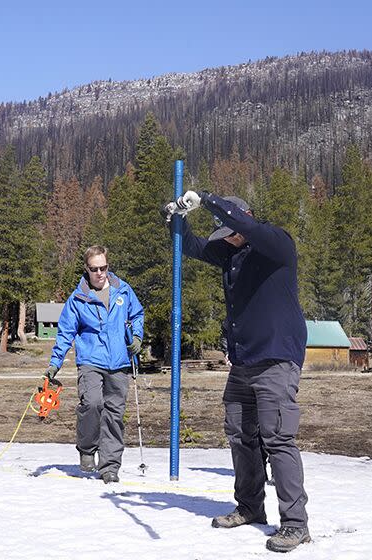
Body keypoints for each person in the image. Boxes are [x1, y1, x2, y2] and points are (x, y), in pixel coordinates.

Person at [164, 191, 310, 553]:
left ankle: (295, 524)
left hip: (277, 357)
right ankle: (249, 506)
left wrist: (208, 200)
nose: (228, 238)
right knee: (241, 435)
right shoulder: (230, 253)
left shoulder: (276, 244)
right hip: (244, 362)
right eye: (224, 234)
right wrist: (173, 219)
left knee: (277, 438)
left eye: (231, 230)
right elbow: (191, 247)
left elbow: (247, 226)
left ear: (244, 217)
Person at [43, 245, 144, 484]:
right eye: (94, 269)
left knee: (114, 415)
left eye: (104, 268)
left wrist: (137, 337)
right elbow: (65, 333)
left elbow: (137, 314)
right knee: (92, 403)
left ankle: (109, 466)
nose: (100, 273)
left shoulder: (123, 291)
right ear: (86, 269)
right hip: (90, 361)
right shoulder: (78, 299)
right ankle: (87, 448)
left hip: (118, 362)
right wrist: (54, 364)